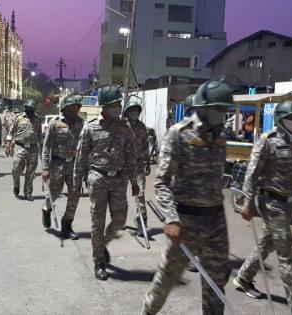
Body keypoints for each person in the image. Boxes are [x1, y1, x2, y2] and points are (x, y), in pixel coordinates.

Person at [142, 80, 234, 315]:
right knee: (167, 278)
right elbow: (161, 181)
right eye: (218, 108)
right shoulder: (179, 134)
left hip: (216, 221)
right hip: (186, 221)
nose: (222, 113)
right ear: (204, 106)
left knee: (216, 282)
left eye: (225, 109)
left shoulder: (221, 135)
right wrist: (171, 218)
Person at [233, 100, 292, 315]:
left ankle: (243, 278)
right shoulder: (268, 140)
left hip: (288, 203)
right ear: (281, 119)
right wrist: (247, 202)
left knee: (266, 244)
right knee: (287, 256)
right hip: (271, 202)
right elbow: (252, 173)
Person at [74, 85, 139, 281]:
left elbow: (131, 156)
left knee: (120, 219)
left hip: (119, 179)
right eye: (115, 104)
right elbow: (81, 156)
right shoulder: (90, 127)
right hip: (98, 178)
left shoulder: (124, 128)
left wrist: (134, 181)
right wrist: (77, 183)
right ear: (104, 106)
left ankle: (101, 246)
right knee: (98, 221)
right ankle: (98, 261)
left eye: (119, 104)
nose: (118, 107)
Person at [41, 94, 84, 239]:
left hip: (74, 165)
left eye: (76, 108)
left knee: (74, 195)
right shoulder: (55, 123)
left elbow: (85, 147)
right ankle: (46, 208)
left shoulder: (81, 124)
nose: (74, 111)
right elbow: (46, 147)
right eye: (71, 108)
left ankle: (67, 225)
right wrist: (45, 168)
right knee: (53, 193)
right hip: (57, 164)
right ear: (65, 109)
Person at [122, 96, 151, 236]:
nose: (134, 112)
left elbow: (146, 145)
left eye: (136, 110)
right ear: (127, 111)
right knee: (120, 194)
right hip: (123, 165)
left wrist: (148, 162)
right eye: (131, 110)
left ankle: (142, 223)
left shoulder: (141, 127)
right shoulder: (121, 127)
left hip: (139, 164)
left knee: (140, 193)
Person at [6, 99, 42, 201]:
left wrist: (43, 149)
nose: (29, 110)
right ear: (25, 108)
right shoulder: (18, 118)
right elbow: (11, 131)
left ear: (34, 109)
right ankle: (16, 185)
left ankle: (28, 193)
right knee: (16, 170)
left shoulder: (38, 120)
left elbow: (40, 135)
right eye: (27, 108)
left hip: (33, 148)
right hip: (20, 147)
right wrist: (8, 144)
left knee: (30, 173)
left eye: (31, 108)